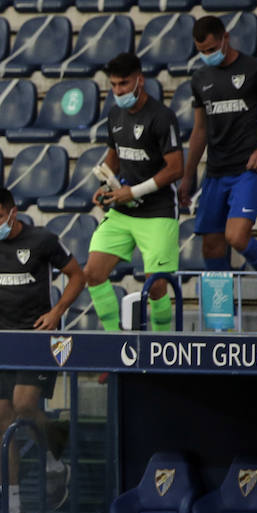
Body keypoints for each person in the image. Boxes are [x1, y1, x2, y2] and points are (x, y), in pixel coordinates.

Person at [0, 185, 87, 513]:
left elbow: (77, 277)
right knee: (3, 419)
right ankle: (14, 502)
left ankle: (54, 460)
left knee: (23, 405)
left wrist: (56, 312)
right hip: (0, 339)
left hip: (36, 337)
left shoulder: (42, 240)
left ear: (12, 212)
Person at [182, 14, 257, 319]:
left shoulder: (255, 69)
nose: (207, 54)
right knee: (212, 247)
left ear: (225, 38)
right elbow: (199, 129)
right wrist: (188, 177)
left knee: (236, 237)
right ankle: (220, 321)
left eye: (212, 47)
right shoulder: (200, 78)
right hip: (215, 172)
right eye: (201, 50)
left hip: (247, 170)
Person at [84, 52, 185, 332]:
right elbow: (114, 154)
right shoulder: (115, 114)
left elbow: (176, 168)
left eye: (124, 84)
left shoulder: (162, 117)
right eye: (114, 85)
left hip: (158, 211)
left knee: (156, 286)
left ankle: (164, 350)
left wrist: (134, 191)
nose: (118, 91)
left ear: (140, 80)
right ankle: (114, 342)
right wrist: (105, 186)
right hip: (124, 210)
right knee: (92, 273)